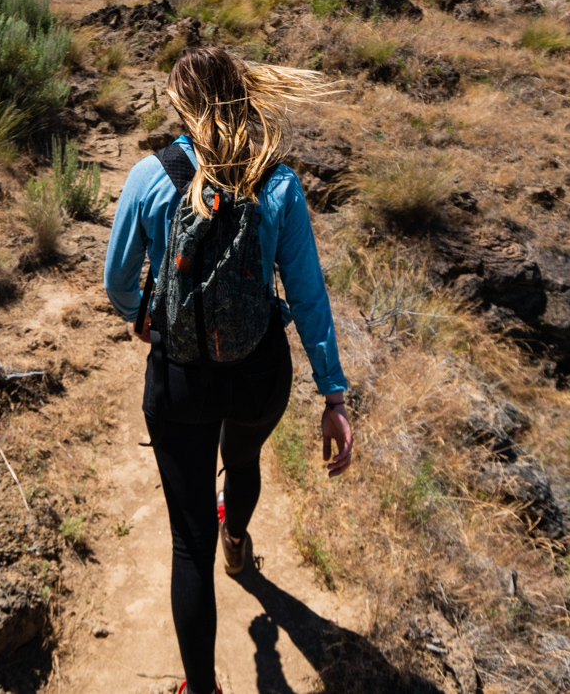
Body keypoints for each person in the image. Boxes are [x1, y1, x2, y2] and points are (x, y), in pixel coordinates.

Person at [103, 46, 353, 694]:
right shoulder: (279, 183)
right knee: (241, 463)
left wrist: (144, 315)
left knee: (189, 545)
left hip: (180, 376)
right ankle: (237, 536)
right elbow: (307, 294)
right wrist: (333, 392)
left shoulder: (150, 176)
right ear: (243, 95)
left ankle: (202, 687)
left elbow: (117, 280)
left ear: (181, 102)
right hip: (258, 370)